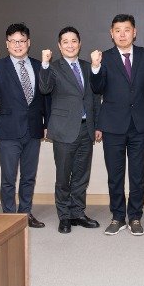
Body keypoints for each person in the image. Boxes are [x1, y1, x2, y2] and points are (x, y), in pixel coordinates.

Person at [90, 14, 144, 236]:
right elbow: (97, 88)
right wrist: (95, 67)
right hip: (112, 125)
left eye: (127, 30)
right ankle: (118, 216)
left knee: (138, 174)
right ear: (111, 33)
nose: (122, 34)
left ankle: (135, 216)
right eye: (117, 30)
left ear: (134, 32)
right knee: (115, 175)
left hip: (139, 124)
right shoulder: (105, 57)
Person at [0, 23, 49, 228]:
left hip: (33, 129)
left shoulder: (39, 66)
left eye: (22, 41)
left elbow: (46, 97)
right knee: (8, 178)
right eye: (13, 41)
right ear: (7, 44)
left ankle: (25, 213)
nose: (18, 45)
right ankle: (9, 217)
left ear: (29, 42)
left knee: (29, 177)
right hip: (9, 130)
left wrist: (47, 123)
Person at [39, 26, 101, 234]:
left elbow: (95, 97)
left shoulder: (88, 66)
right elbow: (44, 88)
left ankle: (78, 213)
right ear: (59, 46)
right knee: (64, 176)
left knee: (82, 176)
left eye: (74, 41)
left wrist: (97, 125)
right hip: (64, 130)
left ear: (79, 43)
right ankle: (64, 216)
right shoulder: (53, 67)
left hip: (86, 129)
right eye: (65, 42)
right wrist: (45, 64)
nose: (70, 45)